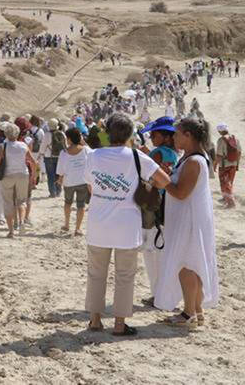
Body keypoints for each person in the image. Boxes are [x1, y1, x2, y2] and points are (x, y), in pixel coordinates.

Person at [84, 113, 168, 336]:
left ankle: (95, 320)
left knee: (96, 273)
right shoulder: (138, 157)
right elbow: (164, 181)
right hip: (127, 225)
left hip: (99, 223)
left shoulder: (93, 156)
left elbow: (91, 187)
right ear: (130, 134)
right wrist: (143, 182)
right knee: (124, 275)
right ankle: (119, 324)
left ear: (108, 133)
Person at [156, 118, 220, 327]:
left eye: (177, 133)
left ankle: (188, 313)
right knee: (193, 263)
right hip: (188, 218)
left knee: (187, 265)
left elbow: (182, 193)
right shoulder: (190, 158)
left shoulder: (193, 161)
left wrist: (162, 180)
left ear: (188, 135)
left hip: (189, 221)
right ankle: (197, 310)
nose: (173, 137)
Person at [138, 116, 178, 307]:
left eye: (154, 134)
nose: (152, 137)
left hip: (152, 205)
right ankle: (162, 292)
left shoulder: (158, 153)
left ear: (165, 136)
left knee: (151, 251)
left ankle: (157, 293)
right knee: (161, 248)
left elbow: (148, 179)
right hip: (166, 205)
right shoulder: (173, 153)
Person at [0, 122, 36, 238]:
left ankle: (11, 231)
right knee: (21, 201)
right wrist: (33, 177)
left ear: (6, 134)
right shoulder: (23, 145)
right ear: (17, 134)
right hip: (23, 175)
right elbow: (32, 161)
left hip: (8, 176)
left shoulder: (4, 146)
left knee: (8, 203)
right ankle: (22, 222)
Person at [56, 127, 91, 236]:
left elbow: (60, 169)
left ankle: (67, 224)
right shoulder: (86, 150)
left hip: (69, 181)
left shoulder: (64, 152)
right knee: (81, 205)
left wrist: (60, 179)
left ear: (70, 139)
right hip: (83, 181)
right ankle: (78, 228)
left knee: (67, 202)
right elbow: (92, 160)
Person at [214, 123, 239, 208]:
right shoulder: (235, 138)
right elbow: (239, 152)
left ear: (220, 131)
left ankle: (231, 203)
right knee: (229, 182)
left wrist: (214, 164)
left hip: (224, 165)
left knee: (224, 183)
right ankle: (225, 198)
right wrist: (237, 164)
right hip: (234, 164)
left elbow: (219, 155)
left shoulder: (221, 140)